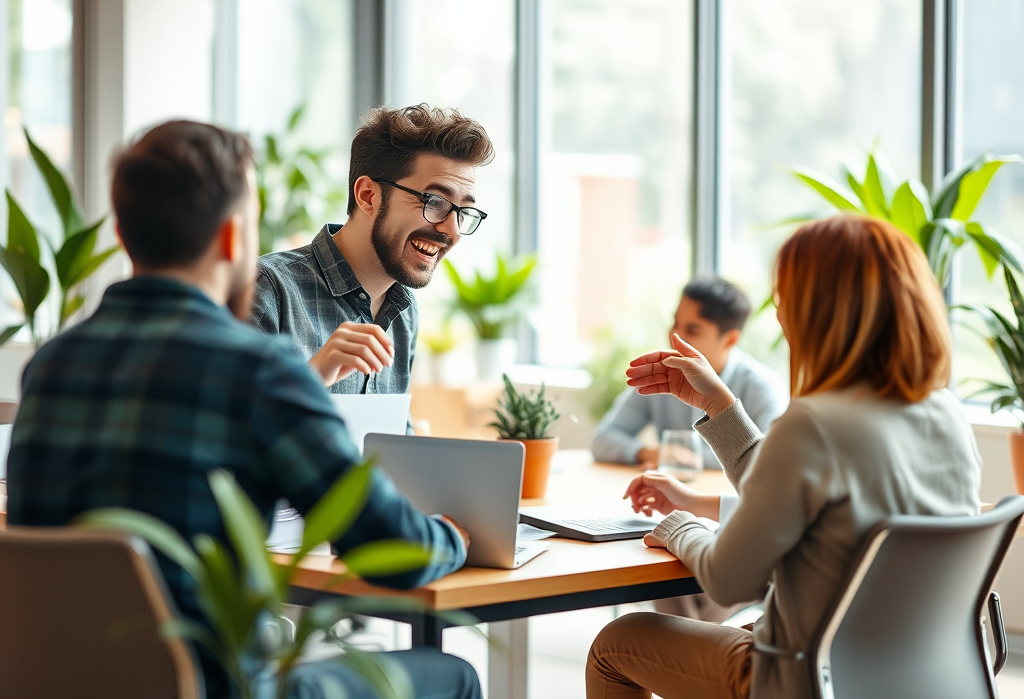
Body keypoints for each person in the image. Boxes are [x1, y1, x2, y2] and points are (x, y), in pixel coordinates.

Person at [5, 121, 481, 699]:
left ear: (126, 237)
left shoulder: (51, 365)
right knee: (453, 675)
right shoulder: (256, 369)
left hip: (59, 683)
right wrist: (453, 535)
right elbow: (392, 554)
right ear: (234, 239)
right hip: (216, 685)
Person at [587, 215, 981, 699]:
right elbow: (802, 501)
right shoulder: (946, 413)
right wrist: (720, 407)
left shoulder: (815, 423)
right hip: (907, 672)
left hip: (802, 677)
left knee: (615, 644)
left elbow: (728, 580)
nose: (779, 315)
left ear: (820, 312)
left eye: (786, 300)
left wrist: (680, 526)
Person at [248, 104, 493, 399]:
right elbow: (219, 432)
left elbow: (392, 435)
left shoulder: (404, 311)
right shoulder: (268, 289)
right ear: (368, 196)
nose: (452, 230)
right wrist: (311, 379)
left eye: (464, 211)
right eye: (434, 201)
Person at [592, 276, 787, 471]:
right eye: (675, 323)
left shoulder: (763, 386)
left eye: (692, 330)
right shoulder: (663, 373)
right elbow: (602, 438)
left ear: (730, 340)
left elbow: (774, 460)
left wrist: (684, 457)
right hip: (668, 496)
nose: (675, 336)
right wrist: (652, 453)